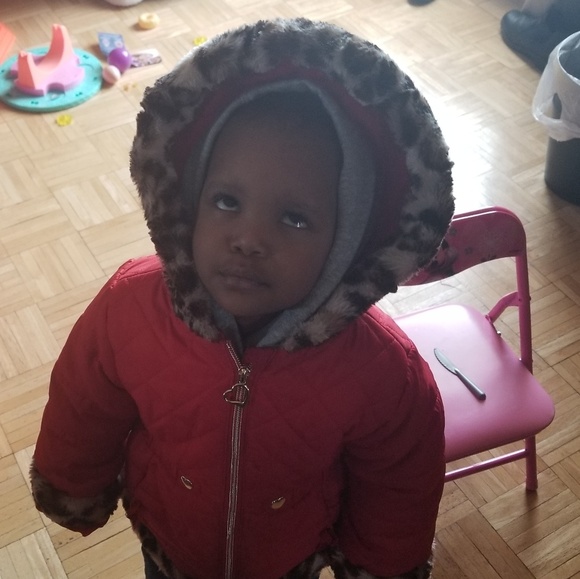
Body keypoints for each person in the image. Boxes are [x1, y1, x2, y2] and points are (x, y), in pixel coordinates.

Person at [30, 18, 454, 579]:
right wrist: (72, 481)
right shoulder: (130, 306)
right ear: (189, 202)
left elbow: (398, 480)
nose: (250, 239)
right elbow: (86, 401)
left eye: (294, 218)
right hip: (169, 542)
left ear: (345, 243)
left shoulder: (381, 368)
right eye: (227, 201)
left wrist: (382, 563)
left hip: (289, 556)